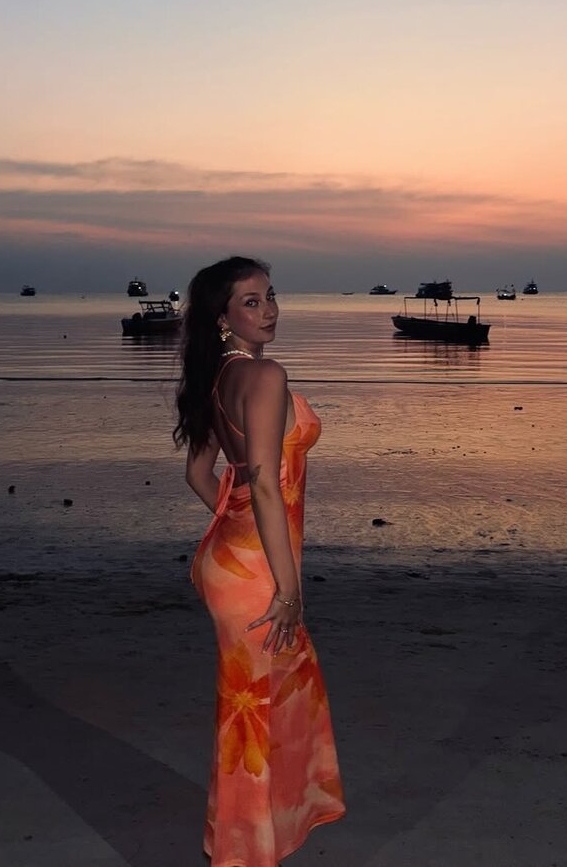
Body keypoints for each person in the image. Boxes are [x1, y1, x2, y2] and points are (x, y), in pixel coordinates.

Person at [174, 256, 345, 867]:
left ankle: (244, 841)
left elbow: (200, 475)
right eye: (251, 301)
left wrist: (234, 524)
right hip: (260, 573)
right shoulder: (266, 375)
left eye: (271, 296)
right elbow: (268, 485)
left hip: (232, 560)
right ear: (223, 317)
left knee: (257, 705)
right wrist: (288, 587)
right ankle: (242, 853)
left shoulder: (215, 379)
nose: (269, 309)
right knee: (253, 715)